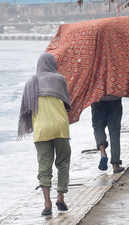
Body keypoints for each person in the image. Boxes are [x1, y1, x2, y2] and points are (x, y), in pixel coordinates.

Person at [18, 53, 71, 216]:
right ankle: (60, 197)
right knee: (62, 163)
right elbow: (67, 104)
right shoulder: (60, 80)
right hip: (60, 128)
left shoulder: (30, 83)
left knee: (44, 167)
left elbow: (26, 110)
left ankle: (47, 203)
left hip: (41, 130)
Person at [91, 96, 124, 174]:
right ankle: (115, 165)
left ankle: (103, 152)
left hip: (97, 99)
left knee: (98, 127)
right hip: (114, 99)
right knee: (114, 133)